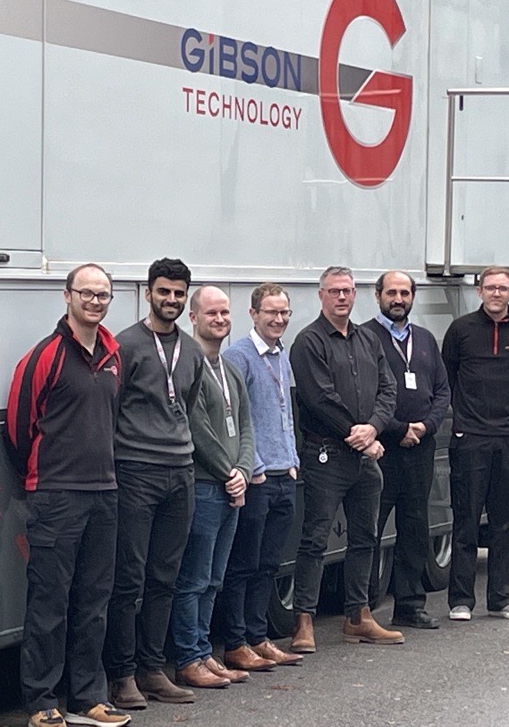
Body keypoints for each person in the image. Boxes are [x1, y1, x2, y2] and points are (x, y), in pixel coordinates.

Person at [5, 264, 130, 727]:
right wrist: (45, 473)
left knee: (94, 602)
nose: (95, 301)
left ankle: (88, 697)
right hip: (56, 496)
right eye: (87, 293)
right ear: (67, 296)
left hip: (104, 493)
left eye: (103, 295)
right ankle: (42, 702)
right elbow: (18, 428)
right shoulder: (46, 356)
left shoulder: (114, 355)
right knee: (49, 604)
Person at [105, 258, 205, 709]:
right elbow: (111, 408)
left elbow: (184, 403)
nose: (171, 300)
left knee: (166, 577)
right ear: (148, 293)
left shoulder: (192, 350)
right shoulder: (125, 345)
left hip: (180, 471)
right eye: (163, 291)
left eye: (179, 293)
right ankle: (122, 675)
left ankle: (153, 669)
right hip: (136, 471)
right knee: (130, 578)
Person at [288, 266, 403, 649]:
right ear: (321, 295)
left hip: (365, 458)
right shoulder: (308, 342)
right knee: (315, 538)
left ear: (356, 296)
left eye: (348, 291)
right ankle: (304, 620)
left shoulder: (369, 338)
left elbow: (389, 389)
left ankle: (359, 614)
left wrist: (374, 428)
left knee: (365, 537)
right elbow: (319, 399)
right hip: (326, 455)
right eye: (335, 291)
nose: (342, 297)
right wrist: (360, 437)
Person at [441, 266, 509, 622]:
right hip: (470, 437)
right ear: (479, 291)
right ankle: (461, 600)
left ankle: (501, 598)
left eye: (503, 288)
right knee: (466, 517)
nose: (496, 294)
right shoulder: (461, 330)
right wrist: (467, 419)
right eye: (490, 287)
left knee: (506, 520)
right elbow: (449, 375)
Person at [171, 286, 253, 689]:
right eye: (211, 313)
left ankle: (204, 652)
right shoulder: (190, 365)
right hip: (205, 488)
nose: (219, 320)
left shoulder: (229, 368)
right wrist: (228, 473)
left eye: (224, 313)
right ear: (194, 317)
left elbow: (247, 425)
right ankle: (188, 657)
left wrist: (243, 468)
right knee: (194, 579)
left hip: (230, 488)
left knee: (216, 577)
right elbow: (197, 428)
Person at [219, 283, 304, 671]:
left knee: (269, 564)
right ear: (253, 314)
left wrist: (293, 459)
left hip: (283, 473)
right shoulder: (239, 356)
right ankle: (235, 642)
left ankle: (258, 637)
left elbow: (282, 412)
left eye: (284, 312)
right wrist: (250, 467)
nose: (279, 319)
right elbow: (234, 416)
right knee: (243, 564)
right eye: (271, 312)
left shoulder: (281, 353)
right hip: (257, 478)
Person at [362, 271, 451, 629]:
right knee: (370, 526)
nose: (397, 299)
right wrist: (399, 429)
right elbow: (364, 393)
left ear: (413, 297)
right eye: (391, 293)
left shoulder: (426, 339)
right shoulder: (365, 337)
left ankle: (410, 605)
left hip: (420, 449)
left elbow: (443, 390)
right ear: (378, 295)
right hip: (382, 447)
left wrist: (426, 427)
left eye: (404, 293)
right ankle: (363, 607)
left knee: (415, 526)